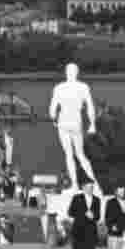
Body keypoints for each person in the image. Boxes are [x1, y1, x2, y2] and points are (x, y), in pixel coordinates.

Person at [48, 63, 101, 194]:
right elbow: (90, 107)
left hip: (64, 121)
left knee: (69, 155)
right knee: (80, 154)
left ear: (67, 72)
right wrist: (92, 124)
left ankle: (76, 185)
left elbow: (52, 109)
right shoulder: (83, 87)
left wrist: (54, 119)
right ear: (76, 73)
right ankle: (93, 184)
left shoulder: (59, 88)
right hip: (75, 120)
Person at [67, 179, 101, 249]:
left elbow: (98, 216)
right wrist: (83, 214)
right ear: (83, 187)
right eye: (89, 187)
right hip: (79, 231)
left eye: (92, 187)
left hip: (91, 232)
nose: (91, 188)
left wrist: (94, 216)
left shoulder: (97, 200)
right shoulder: (77, 198)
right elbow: (70, 212)